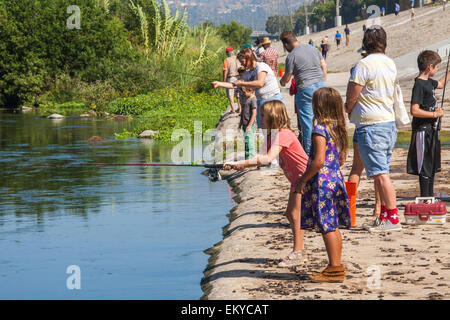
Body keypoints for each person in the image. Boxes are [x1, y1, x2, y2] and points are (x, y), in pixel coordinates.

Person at [223, 100, 309, 268]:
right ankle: (300, 250)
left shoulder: (283, 134)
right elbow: (260, 158)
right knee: (291, 214)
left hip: (306, 179)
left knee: (295, 215)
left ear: (274, 117)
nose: (260, 118)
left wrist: (241, 164)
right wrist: (235, 163)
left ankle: (298, 252)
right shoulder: (271, 136)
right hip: (296, 180)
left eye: (263, 115)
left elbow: (268, 158)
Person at [345, 25, 400, 232]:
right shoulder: (390, 63)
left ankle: (393, 218)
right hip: (387, 122)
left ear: (365, 43)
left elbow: (352, 93)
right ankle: (384, 214)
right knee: (381, 171)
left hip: (371, 124)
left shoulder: (363, 65)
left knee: (380, 174)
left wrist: (348, 108)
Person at [296, 87, 350, 283]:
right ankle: (335, 266)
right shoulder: (338, 128)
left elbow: (318, 161)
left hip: (322, 184)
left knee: (326, 225)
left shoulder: (320, 130)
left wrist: (303, 179)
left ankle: (335, 268)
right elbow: (340, 159)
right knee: (333, 225)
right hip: (335, 180)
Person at [347, 50, 382, 228]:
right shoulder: (378, 75)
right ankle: (377, 206)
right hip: (378, 126)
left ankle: (349, 209)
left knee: (356, 169)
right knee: (379, 170)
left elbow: (349, 106)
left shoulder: (357, 74)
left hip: (360, 127)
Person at [407, 50, 449, 197]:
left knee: (431, 165)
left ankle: (429, 197)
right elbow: (414, 110)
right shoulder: (419, 84)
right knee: (424, 165)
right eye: (436, 67)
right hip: (422, 130)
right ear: (429, 67)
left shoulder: (429, 82)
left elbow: (442, 84)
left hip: (432, 129)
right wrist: (434, 114)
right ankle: (425, 198)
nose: (437, 70)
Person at [280, 31, 327, 155]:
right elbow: (323, 65)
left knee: (307, 124)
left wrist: (282, 82)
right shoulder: (313, 49)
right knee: (323, 120)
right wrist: (323, 81)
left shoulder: (291, 56)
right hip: (321, 86)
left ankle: (309, 155)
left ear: (286, 44)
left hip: (306, 89)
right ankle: (326, 150)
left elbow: (287, 76)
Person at [213, 48, 285, 128]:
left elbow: (260, 83)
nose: (242, 65)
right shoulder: (249, 73)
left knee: (277, 128)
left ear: (249, 58)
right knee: (265, 130)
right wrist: (219, 83)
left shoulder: (261, 67)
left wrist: (243, 83)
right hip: (261, 101)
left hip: (273, 100)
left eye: (243, 62)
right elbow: (235, 84)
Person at [239, 86, 258, 160]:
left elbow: (254, 113)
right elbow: (243, 112)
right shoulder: (247, 99)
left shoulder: (253, 100)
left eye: (245, 92)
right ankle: (247, 158)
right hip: (244, 124)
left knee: (250, 142)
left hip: (249, 125)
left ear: (251, 91)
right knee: (246, 141)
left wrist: (249, 125)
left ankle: (251, 158)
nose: (244, 94)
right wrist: (240, 124)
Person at [223, 47, 241, 113]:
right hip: (239, 78)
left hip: (231, 78)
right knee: (238, 94)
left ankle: (233, 110)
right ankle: (240, 108)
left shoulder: (226, 60)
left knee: (230, 95)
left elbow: (225, 71)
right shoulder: (238, 58)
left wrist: (224, 81)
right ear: (232, 51)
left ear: (227, 53)